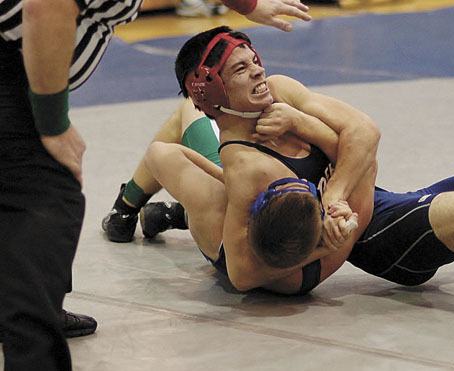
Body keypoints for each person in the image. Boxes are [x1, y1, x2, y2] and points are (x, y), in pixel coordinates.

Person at [137, 26, 454, 349]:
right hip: (375, 231)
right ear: (212, 92)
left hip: (372, 203)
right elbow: (243, 274)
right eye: (241, 70)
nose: (259, 72)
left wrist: (326, 174)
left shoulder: (280, 92)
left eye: (255, 59)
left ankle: (159, 214)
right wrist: (324, 239)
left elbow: (364, 133)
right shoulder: (246, 166)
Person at [0, 2, 312, 371]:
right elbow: (47, 5)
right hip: (15, 69)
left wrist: (248, 5)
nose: (258, 70)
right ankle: (34, 333)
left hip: (22, 66)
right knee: (45, 206)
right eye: (241, 66)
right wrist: (53, 123)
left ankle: (42, 303)